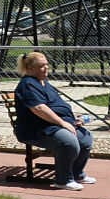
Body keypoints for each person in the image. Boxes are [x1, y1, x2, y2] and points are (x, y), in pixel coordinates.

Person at [13, 51, 95, 191]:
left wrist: (73, 119)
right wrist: (63, 123)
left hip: (53, 125)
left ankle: (76, 174)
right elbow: (39, 108)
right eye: (41, 66)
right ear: (30, 69)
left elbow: (56, 106)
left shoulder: (44, 83)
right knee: (68, 142)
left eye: (46, 65)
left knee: (85, 138)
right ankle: (63, 180)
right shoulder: (27, 85)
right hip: (37, 130)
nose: (46, 68)